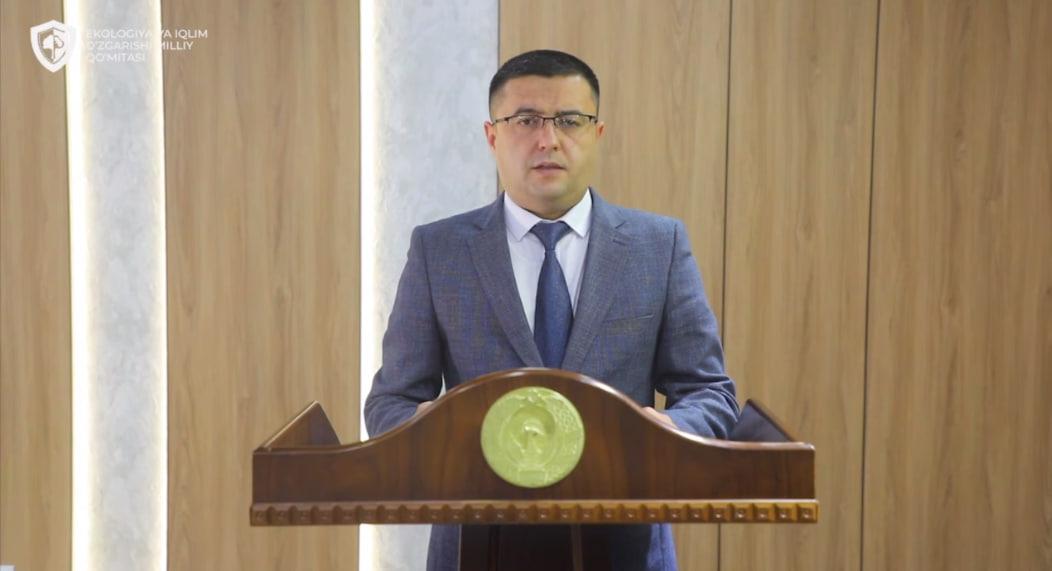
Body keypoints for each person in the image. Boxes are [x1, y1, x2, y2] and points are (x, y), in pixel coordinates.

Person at [364, 49, 739, 571]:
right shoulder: (440, 250)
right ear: (492, 137)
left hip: (624, 545)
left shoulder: (658, 246)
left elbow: (710, 392)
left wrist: (663, 431)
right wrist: (432, 432)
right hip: (477, 545)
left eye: (569, 120)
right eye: (526, 120)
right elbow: (390, 403)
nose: (548, 139)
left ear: (597, 134)